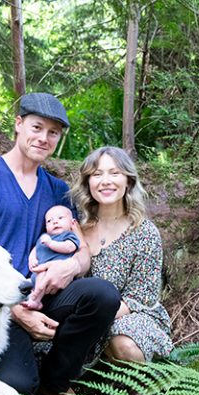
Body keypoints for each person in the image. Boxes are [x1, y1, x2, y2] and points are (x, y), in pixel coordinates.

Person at [0, 93, 120, 395]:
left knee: (102, 294)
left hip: (39, 294)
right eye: (37, 127)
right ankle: (25, 375)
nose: (44, 138)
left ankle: (56, 382)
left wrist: (70, 266)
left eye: (53, 132)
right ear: (18, 124)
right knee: (18, 385)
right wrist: (18, 313)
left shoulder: (57, 191)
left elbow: (82, 252)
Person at [71, 146, 174, 363]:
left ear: (128, 181)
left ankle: (133, 389)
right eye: (97, 174)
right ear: (88, 183)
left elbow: (139, 298)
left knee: (123, 341)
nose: (105, 181)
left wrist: (87, 323)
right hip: (78, 317)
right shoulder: (75, 227)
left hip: (130, 315)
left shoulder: (144, 233)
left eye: (114, 173)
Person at [23, 205, 80, 310]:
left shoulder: (69, 236)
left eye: (60, 218)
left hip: (53, 273)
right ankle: (29, 296)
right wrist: (32, 259)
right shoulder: (44, 237)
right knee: (25, 283)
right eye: (49, 221)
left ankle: (36, 300)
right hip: (37, 272)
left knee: (41, 278)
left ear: (72, 222)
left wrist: (51, 243)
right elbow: (36, 249)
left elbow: (69, 247)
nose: (55, 222)